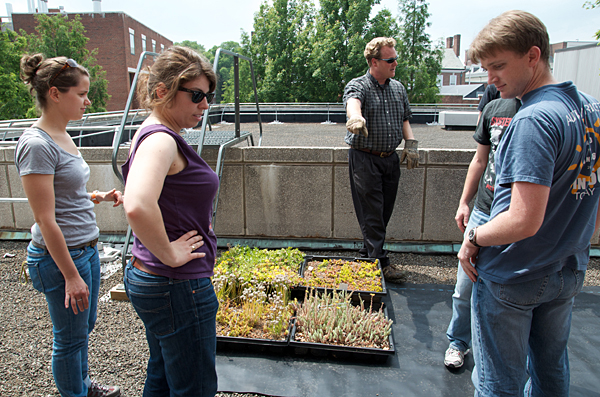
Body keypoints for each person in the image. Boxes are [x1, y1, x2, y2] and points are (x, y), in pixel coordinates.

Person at [458, 10, 600, 395]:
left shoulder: (534, 119)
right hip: (566, 269)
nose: (490, 78)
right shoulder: (590, 110)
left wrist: (474, 239)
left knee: (498, 383)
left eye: (499, 66)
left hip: (515, 275)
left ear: (533, 56)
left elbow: (522, 221)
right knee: (551, 372)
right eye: (487, 68)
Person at [16, 54, 123, 397]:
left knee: (82, 330)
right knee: (69, 339)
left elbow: (64, 194)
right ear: (55, 94)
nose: (88, 101)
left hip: (85, 250)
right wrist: (71, 276)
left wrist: (98, 196)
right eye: (81, 94)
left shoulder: (61, 134)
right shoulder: (36, 144)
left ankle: (83, 385)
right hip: (62, 259)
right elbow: (45, 218)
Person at [121, 46, 219, 397]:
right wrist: (170, 253)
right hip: (176, 284)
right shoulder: (162, 140)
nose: (204, 106)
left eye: (207, 96)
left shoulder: (153, 132)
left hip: (156, 280)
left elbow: (148, 196)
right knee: (194, 387)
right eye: (195, 95)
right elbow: (137, 204)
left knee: (162, 376)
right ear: (162, 91)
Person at [444, 96, 520, 368]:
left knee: (509, 291)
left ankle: (499, 355)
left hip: (516, 215)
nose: (491, 78)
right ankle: (458, 343)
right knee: (464, 287)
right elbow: (480, 159)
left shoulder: (539, 110)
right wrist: (465, 202)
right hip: (483, 210)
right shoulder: (493, 109)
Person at [343, 37, 419, 283]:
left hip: (390, 160)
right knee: (373, 214)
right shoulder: (359, 85)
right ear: (374, 62)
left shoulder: (398, 88)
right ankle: (379, 264)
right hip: (365, 159)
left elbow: (405, 117)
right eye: (390, 59)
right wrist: (356, 118)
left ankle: (367, 255)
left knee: (382, 213)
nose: (395, 62)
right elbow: (353, 102)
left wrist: (411, 143)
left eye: (395, 58)